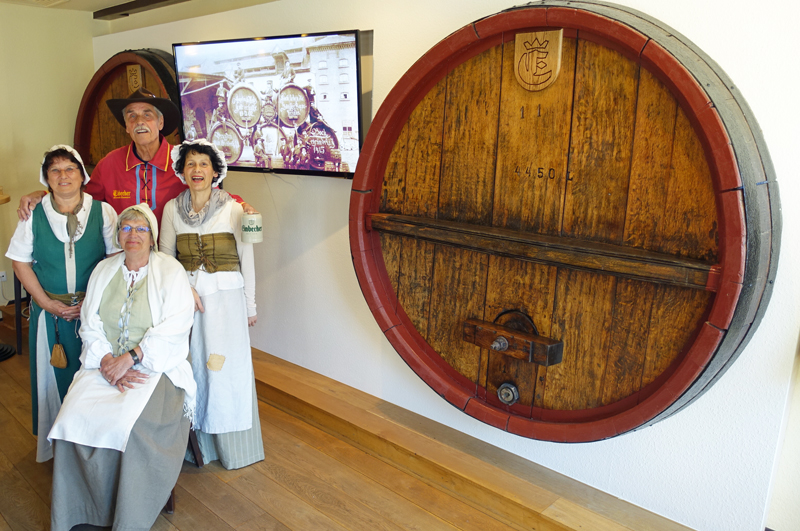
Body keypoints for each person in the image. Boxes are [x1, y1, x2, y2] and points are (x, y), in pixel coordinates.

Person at [48, 204, 196, 531]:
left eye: (141, 229)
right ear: (118, 236)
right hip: (104, 364)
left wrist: (130, 358)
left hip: (155, 367)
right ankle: (77, 510)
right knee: (71, 418)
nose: (133, 235)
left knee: (132, 428)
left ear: (152, 237)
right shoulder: (103, 270)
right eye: (126, 228)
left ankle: (127, 516)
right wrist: (106, 362)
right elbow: (90, 324)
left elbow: (176, 327)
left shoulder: (171, 271)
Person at [5, 145, 117, 463]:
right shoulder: (34, 214)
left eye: (70, 168)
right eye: (55, 170)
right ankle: (59, 450)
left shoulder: (103, 212)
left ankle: (93, 447)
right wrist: (46, 303)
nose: (63, 175)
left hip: (93, 314)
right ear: (46, 178)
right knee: (53, 379)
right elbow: (20, 262)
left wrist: (91, 302)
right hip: (49, 316)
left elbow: (114, 259)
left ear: (82, 175)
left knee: (93, 377)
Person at [160, 139, 264, 470]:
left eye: (204, 164)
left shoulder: (234, 209)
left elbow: (247, 259)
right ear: (182, 171)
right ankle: (198, 447)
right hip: (188, 302)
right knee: (193, 368)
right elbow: (165, 257)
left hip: (226, 302)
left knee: (226, 370)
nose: (197, 170)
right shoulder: (172, 209)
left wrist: (250, 306)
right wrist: (182, 289)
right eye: (190, 163)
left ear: (215, 171)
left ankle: (234, 449)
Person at [16, 88, 254, 227]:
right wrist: (43, 195)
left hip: (175, 259)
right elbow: (79, 198)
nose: (139, 121)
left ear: (160, 122)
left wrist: (241, 205)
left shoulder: (183, 160)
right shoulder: (109, 164)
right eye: (132, 116)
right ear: (127, 127)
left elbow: (212, 194)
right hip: (125, 259)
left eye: (147, 115)